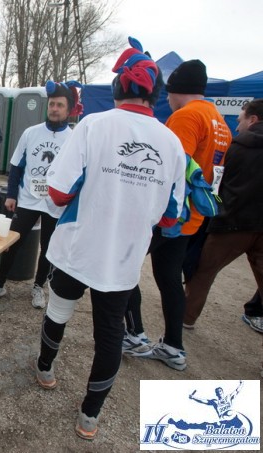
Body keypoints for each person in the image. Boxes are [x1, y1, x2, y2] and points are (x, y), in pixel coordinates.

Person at [34, 37, 185, 440]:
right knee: (110, 336)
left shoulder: (93, 125)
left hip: (77, 248)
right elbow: (171, 217)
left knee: (59, 311)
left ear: (118, 87)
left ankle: (45, 370)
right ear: (156, 94)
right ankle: (90, 416)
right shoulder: (172, 143)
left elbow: (58, 192)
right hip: (123, 259)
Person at [123, 59, 232, 371]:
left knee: (122, 265)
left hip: (170, 215)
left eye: (168, 94)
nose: (167, 101)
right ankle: (173, 346)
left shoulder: (186, 116)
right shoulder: (219, 121)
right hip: (193, 217)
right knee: (169, 278)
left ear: (175, 91)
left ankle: (134, 334)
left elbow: (171, 167)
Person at [0, 82, 81, 308]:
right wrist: (11, 195)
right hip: (28, 199)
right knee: (11, 242)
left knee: (49, 249)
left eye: (60, 105)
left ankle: (38, 287)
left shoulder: (74, 138)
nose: (54, 109)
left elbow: (77, 174)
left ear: (68, 109)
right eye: (52, 104)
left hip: (55, 204)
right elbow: (16, 166)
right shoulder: (31, 133)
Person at [183, 99, 263, 332]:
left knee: (203, 272)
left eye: (240, 120)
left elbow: (218, 188)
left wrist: (218, 206)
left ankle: (186, 318)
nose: (237, 126)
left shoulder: (236, 147)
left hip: (231, 222)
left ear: (253, 119)